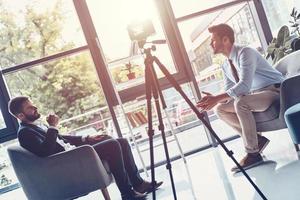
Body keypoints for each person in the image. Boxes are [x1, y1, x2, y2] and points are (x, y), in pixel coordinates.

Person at [8, 96, 163, 200]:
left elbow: (61, 139)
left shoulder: (35, 125)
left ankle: (138, 183)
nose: (35, 108)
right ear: (20, 116)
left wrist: (86, 138)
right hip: (71, 160)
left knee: (120, 141)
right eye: (30, 108)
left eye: (33, 104)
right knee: (112, 145)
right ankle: (127, 193)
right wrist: (53, 127)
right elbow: (45, 152)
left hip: (75, 153)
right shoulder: (25, 133)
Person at [197, 24, 284, 172]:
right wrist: (216, 98)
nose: (211, 44)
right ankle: (258, 140)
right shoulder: (226, 64)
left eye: (213, 40)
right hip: (256, 95)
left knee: (241, 103)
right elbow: (228, 90)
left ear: (225, 39)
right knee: (220, 109)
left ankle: (253, 153)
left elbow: (244, 86)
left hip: (275, 91)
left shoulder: (246, 53)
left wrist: (218, 97)